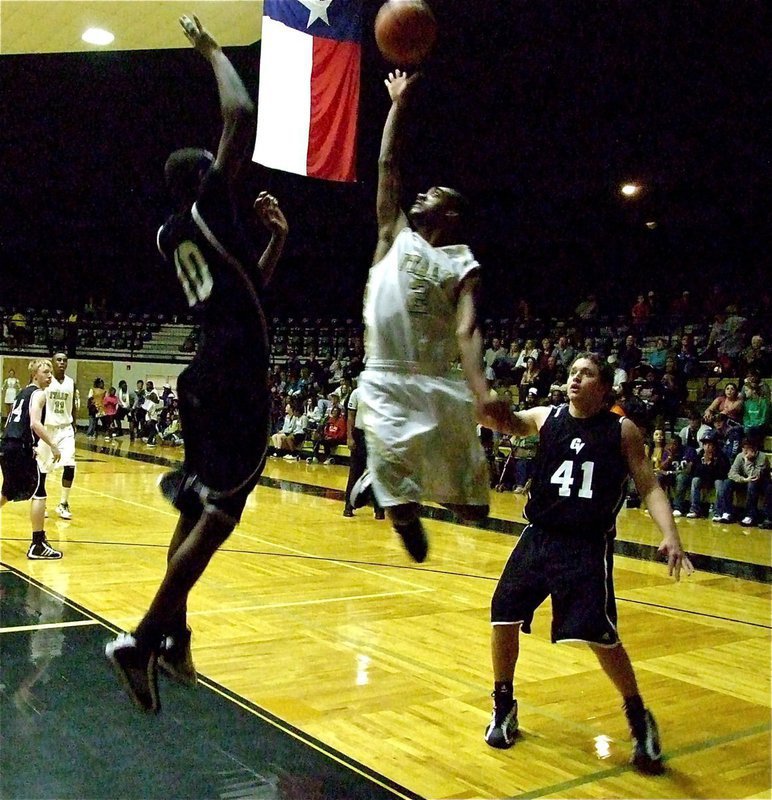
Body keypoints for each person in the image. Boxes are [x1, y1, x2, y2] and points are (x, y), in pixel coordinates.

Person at [105, 14, 288, 714]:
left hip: (205, 368)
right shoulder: (208, 203)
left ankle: (174, 638)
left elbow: (249, 288)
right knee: (221, 515)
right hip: (234, 374)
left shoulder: (172, 232)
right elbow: (239, 110)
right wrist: (211, 48)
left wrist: (277, 240)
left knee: (198, 506)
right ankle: (143, 638)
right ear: (206, 178)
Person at [485, 353, 692, 774]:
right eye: (572, 372)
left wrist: (670, 534)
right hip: (539, 536)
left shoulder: (621, 430)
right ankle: (503, 706)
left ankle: (639, 719)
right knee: (502, 615)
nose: (576, 378)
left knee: (600, 636)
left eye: (586, 373)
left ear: (604, 386)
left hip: (585, 545)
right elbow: (505, 421)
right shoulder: (547, 416)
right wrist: (472, 395)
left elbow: (648, 484)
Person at [351, 69, 510, 562]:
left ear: (452, 215)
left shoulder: (463, 261)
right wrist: (397, 105)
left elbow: (467, 329)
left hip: (441, 381)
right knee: (399, 503)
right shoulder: (393, 233)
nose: (421, 195)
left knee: (474, 510)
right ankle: (387, 492)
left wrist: (482, 392)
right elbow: (387, 164)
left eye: (433, 195)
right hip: (385, 379)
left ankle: (390, 481)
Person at [0, 359, 63, 559]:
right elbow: (35, 423)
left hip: (7, 445)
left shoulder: (22, 393)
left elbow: (15, 422)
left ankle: (38, 543)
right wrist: (53, 445)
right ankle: (37, 544)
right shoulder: (38, 393)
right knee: (39, 490)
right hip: (18, 447)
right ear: (35, 375)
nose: (49, 375)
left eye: (50, 372)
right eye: (45, 372)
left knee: (7, 492)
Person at [37, 352, 79, 520]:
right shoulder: (46, 382)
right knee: (43, 466)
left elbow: (74, 406)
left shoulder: (71, 383)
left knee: (70, 464)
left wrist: (74, 423)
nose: (62, 362)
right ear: (52, 363)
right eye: (58, 360)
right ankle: (41, 500)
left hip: (65, 428)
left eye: (64, 360)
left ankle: (63, 503)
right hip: (47, 428)